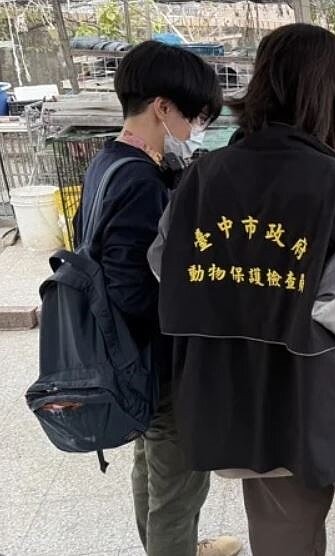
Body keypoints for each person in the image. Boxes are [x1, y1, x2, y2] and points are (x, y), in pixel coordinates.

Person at [149, 24, 335, 556]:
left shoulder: (203, 177)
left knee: (281, 538)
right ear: (331, 99)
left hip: (254, 399)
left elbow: (165, 267)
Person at [72, 41, 241, 556]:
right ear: (162, 108)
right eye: (194, 116)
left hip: (129, 359)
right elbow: (132, 286)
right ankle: (175, 545)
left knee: (152, 465)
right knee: (179, 483)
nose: (196, 130)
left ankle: (175, 545)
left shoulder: (108, 162)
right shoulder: (140, 182)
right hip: (156, 361)